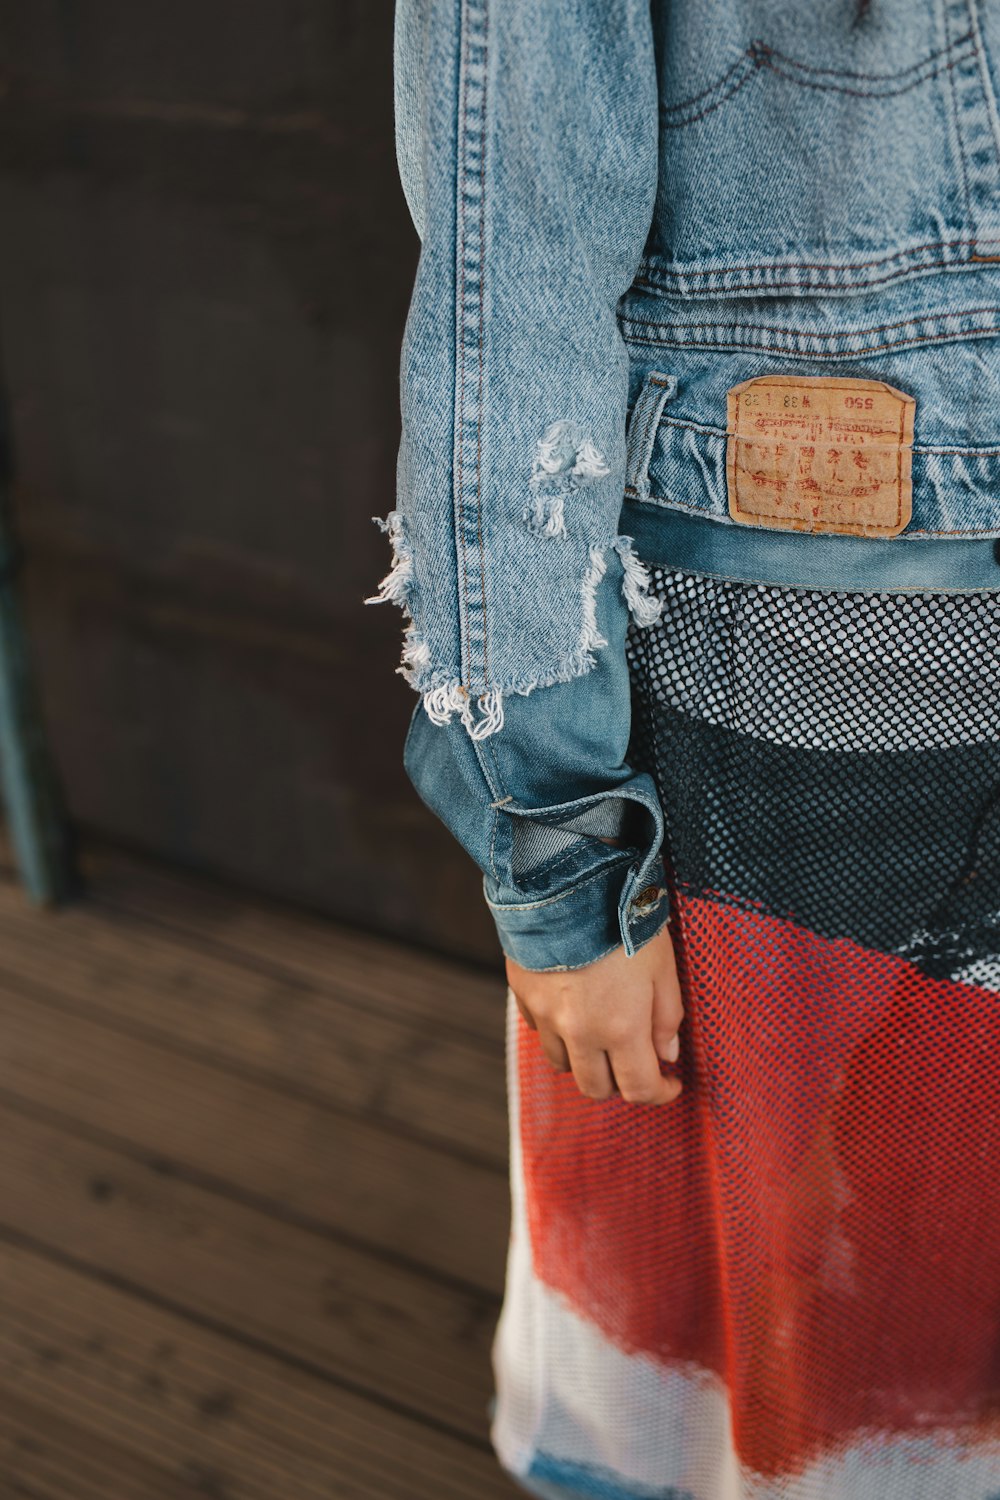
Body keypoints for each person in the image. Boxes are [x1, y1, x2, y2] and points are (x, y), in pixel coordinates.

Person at [367, 2, 1000, 1496]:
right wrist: (566, 852)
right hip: (829, 647)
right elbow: (510, 278)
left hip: (840, 624)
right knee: (845, 1387)